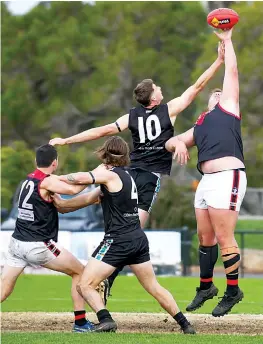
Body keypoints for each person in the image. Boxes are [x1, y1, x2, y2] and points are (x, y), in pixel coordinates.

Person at [50, 42, 225, 290]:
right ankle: (108, 277)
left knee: (101, 195)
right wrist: (218, 61)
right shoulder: (168, 111)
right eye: (158, 88)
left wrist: (67, 140)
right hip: (147, 178)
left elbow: (101, 130)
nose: (161, 89)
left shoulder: (130, 116)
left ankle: (63, 206)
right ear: (154, 97)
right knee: (133, 230)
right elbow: (196, 87)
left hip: (127, 173)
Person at [54, 136, 196, 334]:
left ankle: (106, 320)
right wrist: (60, 205)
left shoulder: (110, 176)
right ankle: (185, 325)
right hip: (137, 238)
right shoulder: (126, 177)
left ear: (105, 154)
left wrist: (51, 180)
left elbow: (79, 179)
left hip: (118, 240)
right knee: (153, 286)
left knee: (84, 284)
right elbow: (86, 199)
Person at [165, 28, 246, 317]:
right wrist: (177, 144)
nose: (219, 91)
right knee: (205, 237)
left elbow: (232, 72)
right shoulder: (201, 123)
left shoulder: (229, 108)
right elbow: (170, 141)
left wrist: (227, 41)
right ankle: (206, 286)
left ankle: (233, 290)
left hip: (228, 176)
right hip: (207, 181)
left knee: (225, 237)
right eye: (217, 92)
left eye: (222, 91)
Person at [0, 144, 104, 333]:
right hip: (37, 245)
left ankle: (81, 323)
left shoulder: (28, 179)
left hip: (16, 243)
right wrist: (94, 177)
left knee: (4, 289)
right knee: (79, 272)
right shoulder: (46, 182)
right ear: (55, 162)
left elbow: (56, 187)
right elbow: (72, 191)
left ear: (35, 161)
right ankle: (80, 324)